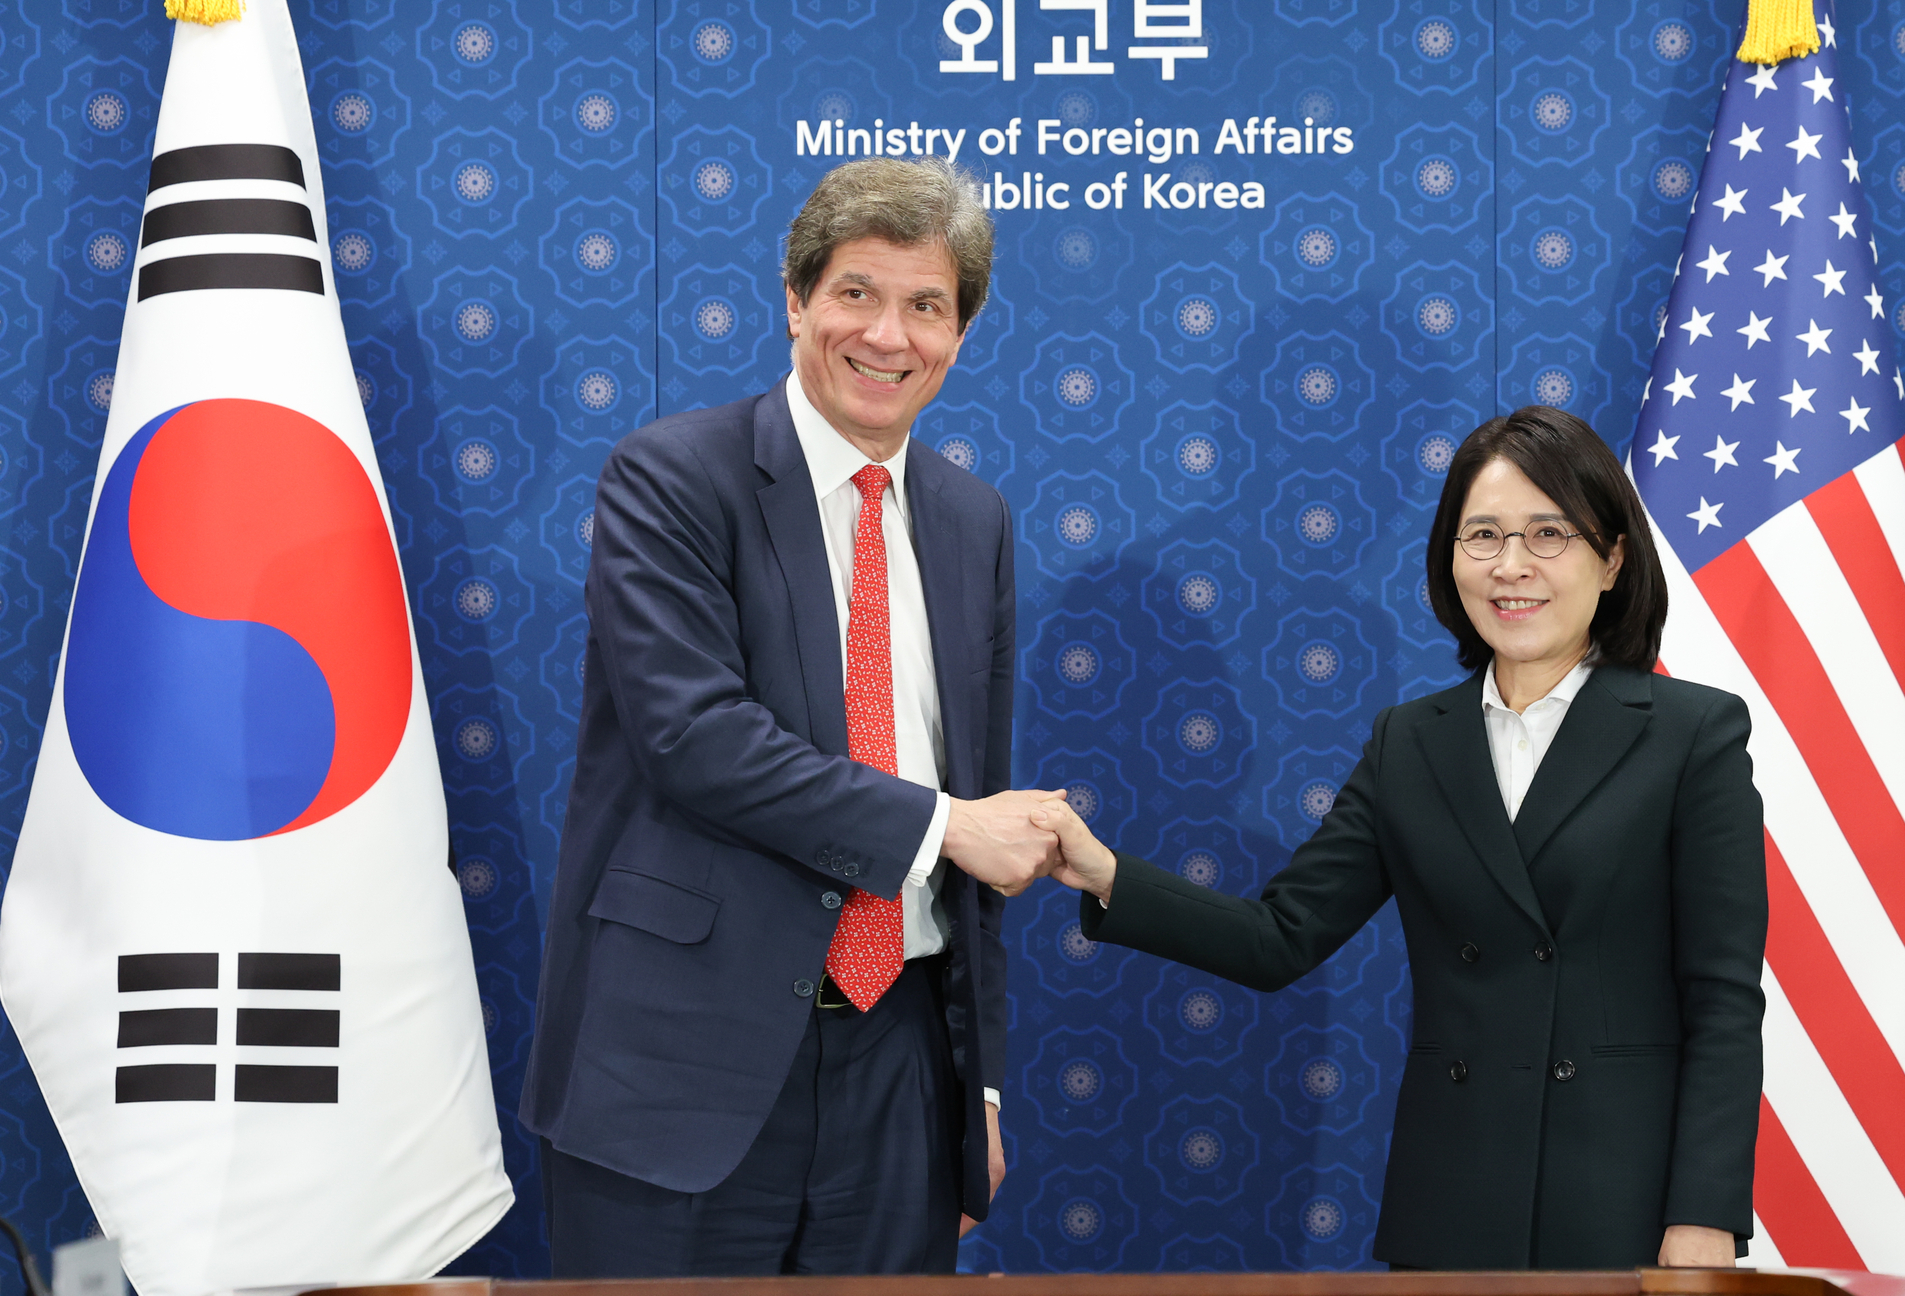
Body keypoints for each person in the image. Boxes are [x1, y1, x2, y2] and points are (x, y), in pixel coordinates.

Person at [1032, 405, 1767, 1270]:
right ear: (1447, 559)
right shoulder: (1409, 742)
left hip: (1627, 1207)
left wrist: (1703, 1215)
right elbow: (1278, 938)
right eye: (1481, 535)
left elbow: (1722, 1000)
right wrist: (1106, 872)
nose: (1511, 566)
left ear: (1610, 560)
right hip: (1452, 1203)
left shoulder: (1691, 734)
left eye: (1548, 535)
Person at [520, 156, 1065, 1277]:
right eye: (856, 293)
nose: (888, 336)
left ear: (960, 334)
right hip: (679, 1067)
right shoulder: (672, 478)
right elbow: (696, 737)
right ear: (795, 300)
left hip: (903, 1070)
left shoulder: (974, 521)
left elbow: (983, 803)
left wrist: (980, 1085)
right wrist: (943, 827)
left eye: (927, 306)